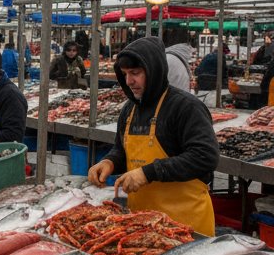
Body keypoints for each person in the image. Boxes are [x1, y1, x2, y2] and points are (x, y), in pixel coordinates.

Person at [88, 36, 218, 236]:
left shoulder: (186, 107)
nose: (129, 81)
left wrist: (148, 173)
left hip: (186, 225)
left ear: (154, 70)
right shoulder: (130, 109)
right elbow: (122, 150)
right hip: (142, 225)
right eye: (124, 74)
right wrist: (110, 162)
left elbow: (205, 156)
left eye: (135, 73)